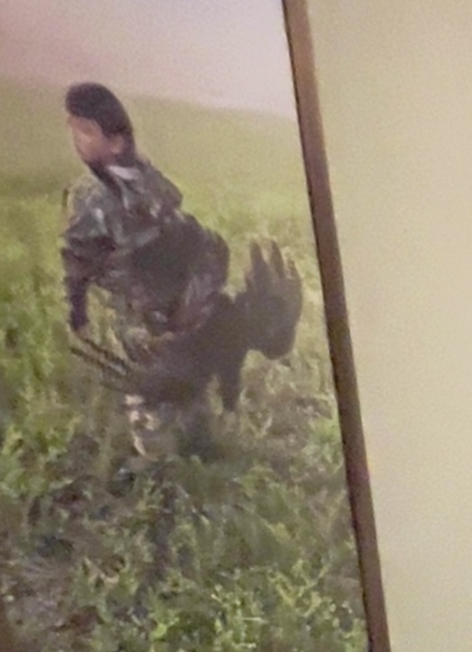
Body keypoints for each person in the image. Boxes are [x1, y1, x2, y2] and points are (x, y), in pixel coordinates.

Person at [60, 82, 300, 455]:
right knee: (159, 392)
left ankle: (187, 433)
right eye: (75, 129)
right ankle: (163, 444)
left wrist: (194, 283)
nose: (78, 139)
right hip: (145, 311)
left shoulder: (146, 183)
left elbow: (188, 236)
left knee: (184, 379)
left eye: (87, 130)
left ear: (117, 141)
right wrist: (78, 309)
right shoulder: (89, 198)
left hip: (180, 300)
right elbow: (79, 259)